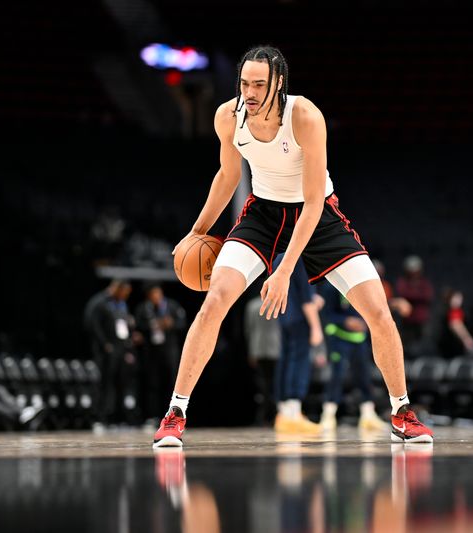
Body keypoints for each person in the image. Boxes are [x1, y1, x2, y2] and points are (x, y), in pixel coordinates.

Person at [153, 45, 433, 448]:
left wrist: (284, 270)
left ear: (279, 84)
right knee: (215, 301)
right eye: (244, 83)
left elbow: (315, 201)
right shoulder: (227, 116)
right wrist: (196, 232)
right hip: (262, 215)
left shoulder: (304, 116)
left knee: (378, 310)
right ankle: (175, 413)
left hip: (316, 215)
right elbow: (228, 175)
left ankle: (402, 412)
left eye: (259, 84)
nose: (249, 92)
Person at [317, 280, 388, 432]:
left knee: (364, 375)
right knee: (337, 375)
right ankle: (328, 416)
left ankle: (368, 415)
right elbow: (326, 314)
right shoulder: (331, 286)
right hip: (338, 337)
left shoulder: (361, 285)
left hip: (359, 339)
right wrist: (345, 320)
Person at [272, 256, 324, 434]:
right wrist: (316, 327)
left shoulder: (277, 258)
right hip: (300, 319)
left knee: (285, 361)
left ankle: (284, 413)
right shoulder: (299, 258)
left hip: (284, 315)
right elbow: (306, 298)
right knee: (299, 361)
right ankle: (294, 413)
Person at [84, 279, 135, 425]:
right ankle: (99, 417)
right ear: (117, 288)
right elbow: (92, 324)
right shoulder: (100, 302)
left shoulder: (121, 304)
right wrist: (104, 344)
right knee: (104, 383)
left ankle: (117, 417)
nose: (126, 296)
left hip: (121, 349)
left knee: (121, 383)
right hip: (106, 350)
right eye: (124, 292)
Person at [135, 284, 186, 421]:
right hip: (152, 352)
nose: (155, 297)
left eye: (157, 294)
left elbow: (182, 323)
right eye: (152, 295)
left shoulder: (172, 306)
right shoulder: (143, 308)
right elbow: (138, 326)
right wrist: (151, 326)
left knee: (172, 382)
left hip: (170, 350)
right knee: (153, 383)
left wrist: (171, 324)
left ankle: (173, 415)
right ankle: (153, 416)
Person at [244, 291, 281, 425]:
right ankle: (274, 414)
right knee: (275, 382)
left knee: (263, 383)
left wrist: (251, 352)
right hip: (276, 347)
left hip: (258, 348)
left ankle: (264, 416)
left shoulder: (251, 305)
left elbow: (248, 330)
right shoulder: (278, 302)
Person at [394, 256, 433, 346]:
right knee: (407, 344)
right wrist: (417, 295)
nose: (414, 273)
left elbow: (427, 296)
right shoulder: (403, 281)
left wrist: (412, 296)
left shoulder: (424, 282)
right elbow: (402, 293)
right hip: (407, 321)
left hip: (422, 320)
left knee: (424, 343)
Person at [437, 289, 473, 358]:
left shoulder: (456, 311)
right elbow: (456, 326)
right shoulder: (453, 311)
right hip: (452, 344)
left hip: (450, 344)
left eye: (460, 298)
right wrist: (466, 339)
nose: (458, 301)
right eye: (456, 298)